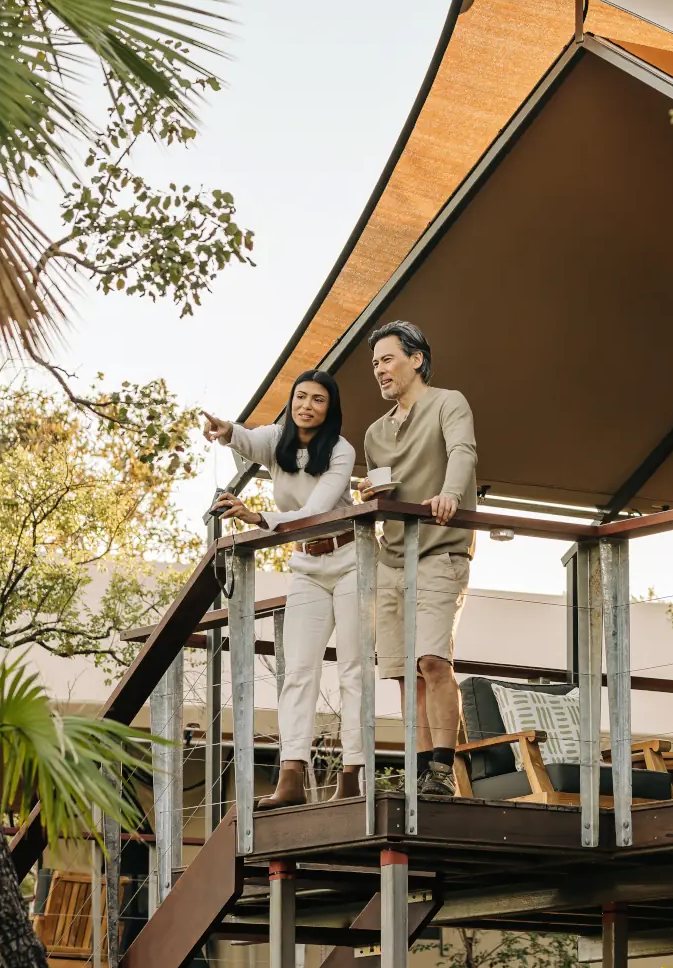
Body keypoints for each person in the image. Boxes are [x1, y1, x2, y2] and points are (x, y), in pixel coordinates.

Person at [201, 370, 363, 808]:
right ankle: (291, 778)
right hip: (307, 566)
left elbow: (316, 511)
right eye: (300, 397)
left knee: (352, 671)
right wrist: (226, 431)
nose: (306, 406)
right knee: (298, 671)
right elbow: (247, 440)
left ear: (331, 409)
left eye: (318, 399)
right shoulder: (277, 439)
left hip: (352, 561)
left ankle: (352, 775)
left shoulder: (341, 451)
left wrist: (259, 519)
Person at [360, 319, 476, 797]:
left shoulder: (449, 403)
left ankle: (443, 771)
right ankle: (421, 771)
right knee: (407, 673)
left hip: (440, 553)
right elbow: (386, 487)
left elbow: (463, 452)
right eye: (375, 364)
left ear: (416, 359)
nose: (379, 370)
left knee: (432, 661)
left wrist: (450, 494)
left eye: (387, 359)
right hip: (391, 561)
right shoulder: (374, 433)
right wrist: (371, 494)